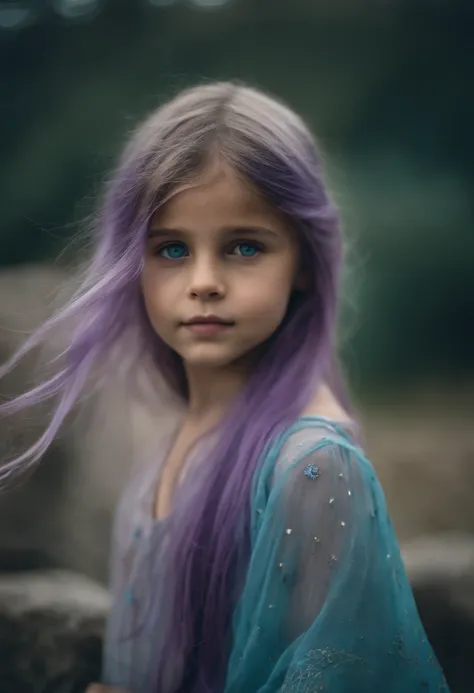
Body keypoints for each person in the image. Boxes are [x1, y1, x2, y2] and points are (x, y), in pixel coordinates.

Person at [0, 82, 450, 693]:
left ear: (306, 266)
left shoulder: (313, 467)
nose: (204, 281)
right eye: (172, 249)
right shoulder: (174, 441)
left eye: (244, 246)